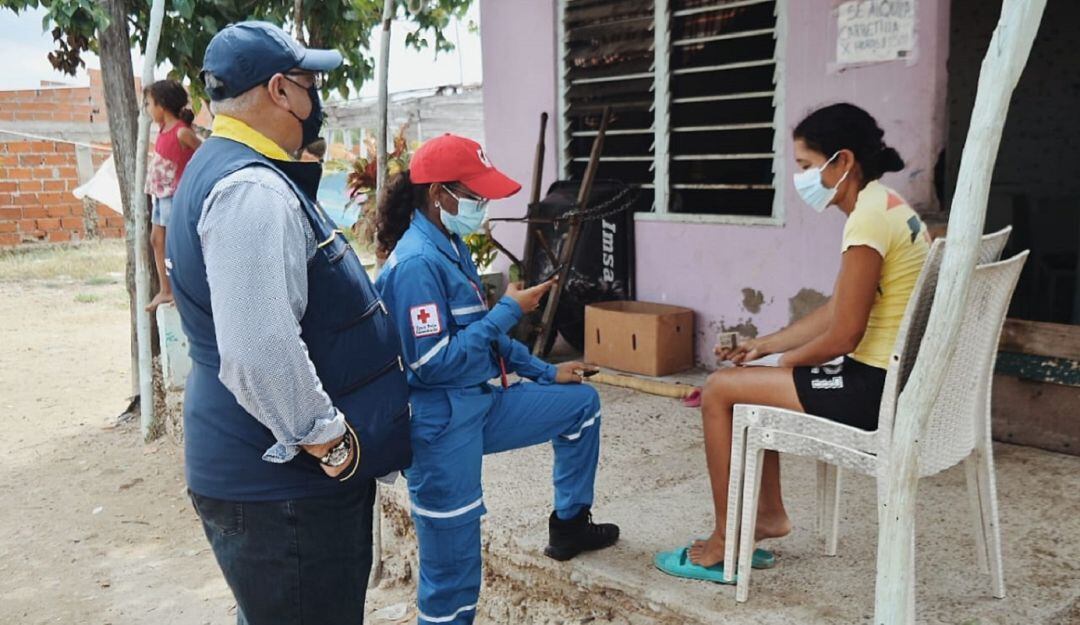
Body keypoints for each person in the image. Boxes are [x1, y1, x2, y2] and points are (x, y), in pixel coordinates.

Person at [166, 22, 411, 624]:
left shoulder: (228, 168)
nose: (316, 99)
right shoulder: (250, 188)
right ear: (279, 91)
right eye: (310, 84)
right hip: (285, 494)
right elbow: (257, 348)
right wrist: (331, 441)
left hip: (270, 485)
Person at [655, 103, 930, 581]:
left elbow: (844, 334)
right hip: (890, 378)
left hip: (870, 389)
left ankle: (726, 539)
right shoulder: (887, 206)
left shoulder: (866, 222)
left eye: (805, 165)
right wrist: (767, 347)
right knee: (742, 381)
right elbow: (836, 309)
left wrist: (785, 366)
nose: (800, 177)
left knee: (721, 390)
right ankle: (764, 517)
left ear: (841, 161)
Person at [374, 134, 620, 625]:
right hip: (441, 427)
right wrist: (508, 310)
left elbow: (480, 336)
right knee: (454, 576)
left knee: (580, 405)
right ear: (439, 193)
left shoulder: (450, 244)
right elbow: (431, 364)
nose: (482, 206)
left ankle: (569, 525)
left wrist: (547, 371)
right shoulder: (417, 264)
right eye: (475, 195)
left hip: (478, 405)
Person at [144, 79, 201, 313]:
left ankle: (181, 290)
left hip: (174, 195)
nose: (147, 109)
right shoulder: (163, 130)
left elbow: (204, 153)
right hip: (160, 195)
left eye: (149, 104)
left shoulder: (182, 132)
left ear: (162, 105)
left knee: (175, 244)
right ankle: (165, 289)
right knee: (157, 240)